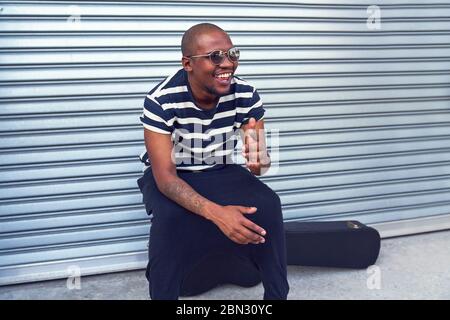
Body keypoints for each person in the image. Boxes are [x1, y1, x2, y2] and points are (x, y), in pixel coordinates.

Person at [136, 23, 289, 300]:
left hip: (219, 168)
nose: (227, 63)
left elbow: (258, 167)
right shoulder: (161, 100)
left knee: (268, 204)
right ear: (188, 64)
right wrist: (218, 213)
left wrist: (259, 161)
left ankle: (277, 295)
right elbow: (166, 179)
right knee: (171, 218)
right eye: (215, 56)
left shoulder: (245, 94)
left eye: (233, 54)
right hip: (174, 173)